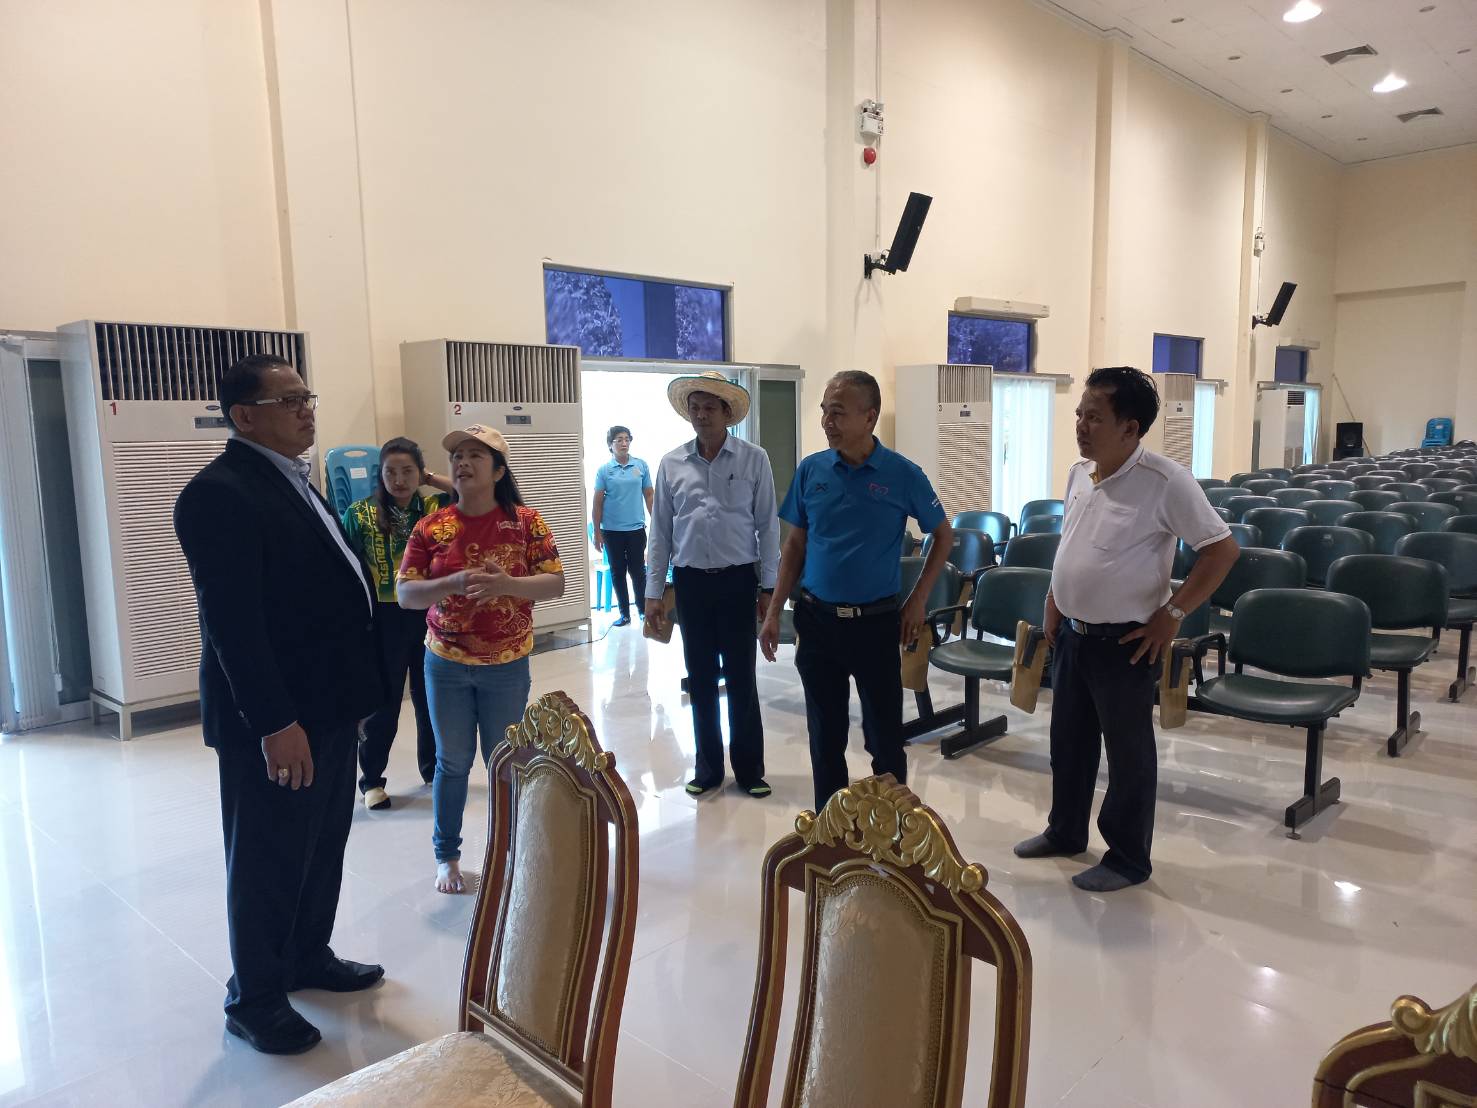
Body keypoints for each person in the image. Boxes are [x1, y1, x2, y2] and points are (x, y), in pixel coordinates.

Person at [174, 354, 385, 1055]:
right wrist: (275, 723)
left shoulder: (290, 477)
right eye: (290, 400)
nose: (307, 409)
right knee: (268, 856)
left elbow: (325, 594)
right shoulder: (219, 493)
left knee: (321, 843)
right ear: (244, 416)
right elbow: (232, 626)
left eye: (307, 396)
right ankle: (255, 997)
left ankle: (305, 955)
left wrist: (354, 697)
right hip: (278, 719)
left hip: (328, 708)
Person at [1013, 366, 1239, 892]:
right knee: (1068, 743)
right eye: (1079, 414)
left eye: (1094, 417)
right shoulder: (1080, 473)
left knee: (1127, 754)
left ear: (1130, 428)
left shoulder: (1165, 482)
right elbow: (1071, 542)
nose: (1081, 425)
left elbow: (1222, 551)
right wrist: (1053, 597)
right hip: (1073, 635)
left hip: (1127, 642)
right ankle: (1065, 831)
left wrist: (1173, 614)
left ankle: (1127, 858)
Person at [760, 371, 953, 811]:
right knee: (825, 738)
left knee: (884, 740)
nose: (827, 422)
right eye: (824, 412)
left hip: (875, 625)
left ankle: (896, 829)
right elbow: (795, 546)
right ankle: (830, 830)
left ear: (870, 417)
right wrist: (773, 612)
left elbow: (943, 535)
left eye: (838, 412)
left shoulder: (903, 474)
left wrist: (918, 599)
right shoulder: (812, 470)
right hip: (817, 621)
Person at [397, 425, 564, 894]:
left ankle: (510, 851)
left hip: (506, 664)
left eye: (475, 455)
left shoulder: (526, 522)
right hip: (445, 662)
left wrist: (506, 584)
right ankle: (447, 856)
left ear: (499, 471)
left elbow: (555, 582)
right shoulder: (432, 526)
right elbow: (406, 593)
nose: (462, 463)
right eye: (457, 456)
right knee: (452, 762)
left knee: (504, 762)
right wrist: (450, 584)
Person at [644, 370, 779, 798]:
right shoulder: (671, 463)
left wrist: (769, 589)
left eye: (709, 408)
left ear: (727, 413)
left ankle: (750, 771)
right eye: (695, 408)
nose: (701, 415)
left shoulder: (754, 459)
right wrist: (653, 593)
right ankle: (707, 769)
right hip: (690, 584)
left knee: (741, 678)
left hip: (739, 580)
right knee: (699, 678)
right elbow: (660, 532)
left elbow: (768, 526)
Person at [340, 438, 453, 810]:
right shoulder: (360, 513)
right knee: (384, 702)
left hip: (429, 613)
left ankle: (433, 770)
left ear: (420, 472)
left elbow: (471, 491)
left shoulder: (436, 508)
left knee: (430, 697)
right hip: (383, 618)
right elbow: (345, 569)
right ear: (380, 474)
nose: (399, 480)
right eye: (391, 472)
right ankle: (371, 780)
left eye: (408, 471)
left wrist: (430, 478)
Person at [591, 425, 653, 626]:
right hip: (612, 531)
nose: (624, 443)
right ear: (611, 445)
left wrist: (658, 523)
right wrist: (597, 533)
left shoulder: (641, 466)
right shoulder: (604, 470)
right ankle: (624, 614)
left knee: (638, 572)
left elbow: (649, 495)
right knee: (618, 572)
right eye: (619, 440)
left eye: (627, 439)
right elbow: (597, 503)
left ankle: (642, 611)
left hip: (636, 530)